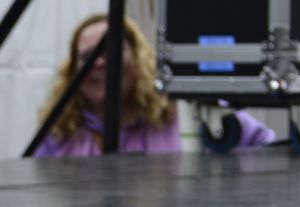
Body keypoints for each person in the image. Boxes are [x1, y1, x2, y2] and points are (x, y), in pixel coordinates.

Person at [32, 14, 274, 156]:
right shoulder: (59, 134)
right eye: (87, 57)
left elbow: (269, 152)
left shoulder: (187, 112)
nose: (100, 63)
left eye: (111, 50)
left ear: (139, 58)